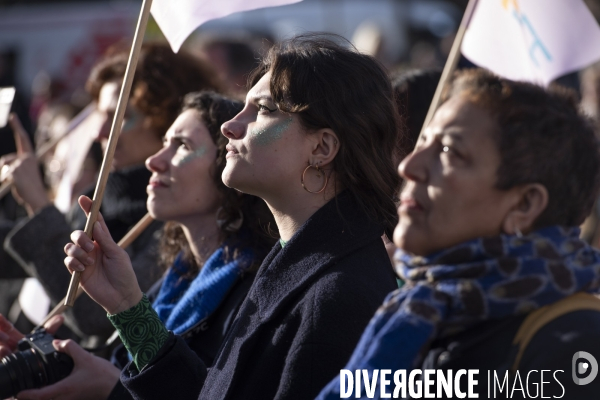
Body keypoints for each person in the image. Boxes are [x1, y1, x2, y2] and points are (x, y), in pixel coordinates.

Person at [62, 34, 400, 400]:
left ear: (321, 147)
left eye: (264, 110)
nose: (231, 126)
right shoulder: (298, 259)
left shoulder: (335, 297)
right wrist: (126, 304)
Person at [317, 68, 600, 399]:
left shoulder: (574, 342)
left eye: (450, 151)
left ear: (524, 203)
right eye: (423, 141)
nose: (408, 166)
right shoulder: (415, 313)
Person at [2, 91, 276, 400]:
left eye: (182, 146)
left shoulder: (257, 290)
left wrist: (113, 387)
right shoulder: (177, 275)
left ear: (230, 161)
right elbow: (122, 364)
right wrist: (46, 364)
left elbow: (197, 391)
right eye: (164, 143)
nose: (154, 161)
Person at [1, 43, 223, 347]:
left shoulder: (180, 209)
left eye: (121, 116)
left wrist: (39, 204)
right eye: (102, 116)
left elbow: (95, 312)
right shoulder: (97, 197)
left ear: (165, 119)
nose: (100, 131)